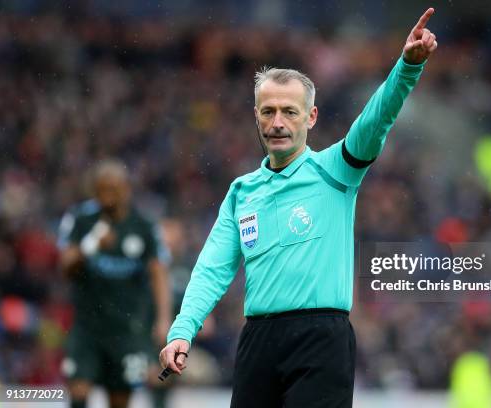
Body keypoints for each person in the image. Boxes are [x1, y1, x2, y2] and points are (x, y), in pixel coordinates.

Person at [160, 7, 438, 407]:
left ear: (311, 117)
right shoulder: (242, 192)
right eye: (268, 111)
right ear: (256, 117)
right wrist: (182, 331)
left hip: (321, 340)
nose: (278, 122)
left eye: (289, 112)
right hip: (258, 340)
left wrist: (406, 69)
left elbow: (374, 121)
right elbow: (212, 268)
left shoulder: (336, 170)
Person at [57, 159, 172, 408]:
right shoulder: (81, 219)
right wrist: (90, 246)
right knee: (78, 392)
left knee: (119, 400)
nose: (107, 196)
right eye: (101, 190)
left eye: (113, 189)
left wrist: (163, 319)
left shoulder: (144, 226)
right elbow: (65, 266)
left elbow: (159, 274)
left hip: (127, 329)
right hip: (87, 328)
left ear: (126, 189)